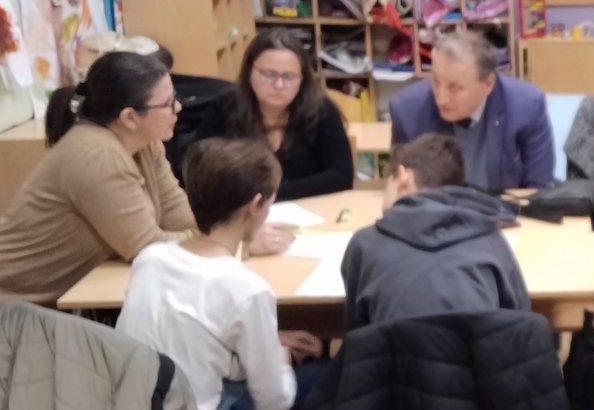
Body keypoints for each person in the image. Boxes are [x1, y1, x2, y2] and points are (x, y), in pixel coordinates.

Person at [0, 53, 229, 410]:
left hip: (34, 312)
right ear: (129, 117)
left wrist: (222, 230)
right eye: (168, 103)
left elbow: (178, 213)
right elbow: (147, 247)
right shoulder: (95, 155)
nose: (179, 108)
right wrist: (226, 239)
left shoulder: (145, 144)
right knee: (105, 401)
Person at [116, 138, 326, 410]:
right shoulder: (246, 290)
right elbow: (273, 404)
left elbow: (192, 340)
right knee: (322, 377)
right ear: (255, 207)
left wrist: (265, 341)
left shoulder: (151, 260)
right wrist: (279, 358)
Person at [342, 134, 529, 328]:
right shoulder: (491, 240)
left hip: (396, 348)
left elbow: (356, 331)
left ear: (403, 176)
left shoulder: (364, 244)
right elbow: (520, 318)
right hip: (473, 347)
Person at [193, 30, 353, 201]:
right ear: (250, 72)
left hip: (308, 209)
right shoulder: (224, 107)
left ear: (302, 79)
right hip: (240, 211)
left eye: (289, 77)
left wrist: (270, 195)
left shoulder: (321, 110)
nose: (279, 85)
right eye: (269, 74)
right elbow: (200, 171)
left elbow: (342, 176)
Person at [388, 31, 554, 193]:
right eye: (436, 82)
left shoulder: (527, 106)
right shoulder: (406, 110)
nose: (441, 99)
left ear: (488, 84)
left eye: (455, 88)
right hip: (437, 209)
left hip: (502, 209)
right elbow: (401, 190)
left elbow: (539, 191)